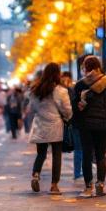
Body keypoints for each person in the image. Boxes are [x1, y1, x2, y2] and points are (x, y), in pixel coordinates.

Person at [72, 55, 106, 197]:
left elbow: (74, 104)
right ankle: (100, 184)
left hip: (85, 124)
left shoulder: (80, 85)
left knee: (86, 154)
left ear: (85, 67)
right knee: (100, 154)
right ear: (98, 66)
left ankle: (88, 187)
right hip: (101, 123)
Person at [27, 62, 73, 194]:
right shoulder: (60, 91)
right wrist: (68, 117)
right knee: (56, 155)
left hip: (40, 124)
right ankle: (54, 185)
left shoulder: (35, 90)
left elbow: (32, 108)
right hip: (55, 125)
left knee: (41, 153)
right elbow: (67, 110)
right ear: (57, 74)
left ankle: (36, 174)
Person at [61, 71, 84, 185]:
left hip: (75, 121)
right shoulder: (70, 90)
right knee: (80, 148)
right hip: (76, 122)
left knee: (80, 149)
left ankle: (78, 172)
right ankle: (78, 173)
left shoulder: (70, 90)